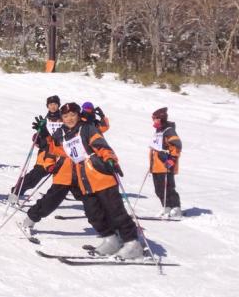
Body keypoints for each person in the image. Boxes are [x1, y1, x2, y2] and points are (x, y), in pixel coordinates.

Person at [43, 102, 143, 258]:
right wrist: (42, 138)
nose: (69, 119)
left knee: (115, 211)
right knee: (93, 214)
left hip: (100, 174)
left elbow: (100, 144)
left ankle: (132, 244)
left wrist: (110, 158)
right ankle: (111, 240)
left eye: (73, 115)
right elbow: (55, 148)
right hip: (84, 180)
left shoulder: (87, 128)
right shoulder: (63, 134)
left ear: (78, 115)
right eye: (66, 116)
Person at [11, 95, 62, 199]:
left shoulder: (64, 119)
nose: (53, 106)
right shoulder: (44, 121)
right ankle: (17, 191)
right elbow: (40, 142)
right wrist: (38, 137)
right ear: (47, 106)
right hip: (45, 155)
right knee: (34, 177)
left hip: (62, 154)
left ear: (58, 105)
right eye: (50, 104)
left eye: (55, 104)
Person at [149, 107, 183, 217]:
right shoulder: (159, 131)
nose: (154, 121)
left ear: (161, 119)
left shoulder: (169, 131)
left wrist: (172, 159)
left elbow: (177, 145)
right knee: (159, 189)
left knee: (169, 188)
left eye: (155, 119)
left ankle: (176, 208)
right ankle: (167, 207)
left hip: (165, 165)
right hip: (156, 166)